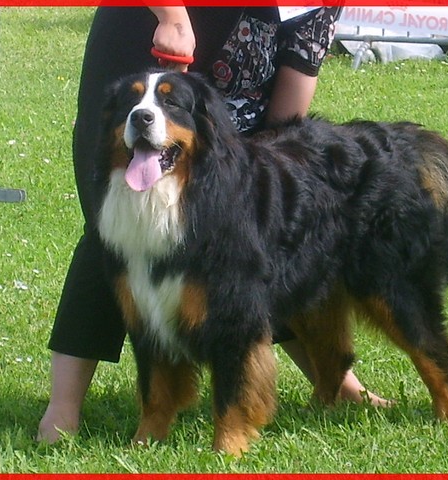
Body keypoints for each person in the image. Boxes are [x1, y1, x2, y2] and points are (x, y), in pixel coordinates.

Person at [37, 6, 390, 444]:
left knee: (252, 256)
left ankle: (331, 383)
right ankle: (63, 408)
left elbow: (290, 99)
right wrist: (173, 17)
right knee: (110, 239)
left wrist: (247, 183)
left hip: (221, 130)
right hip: (142, 44)